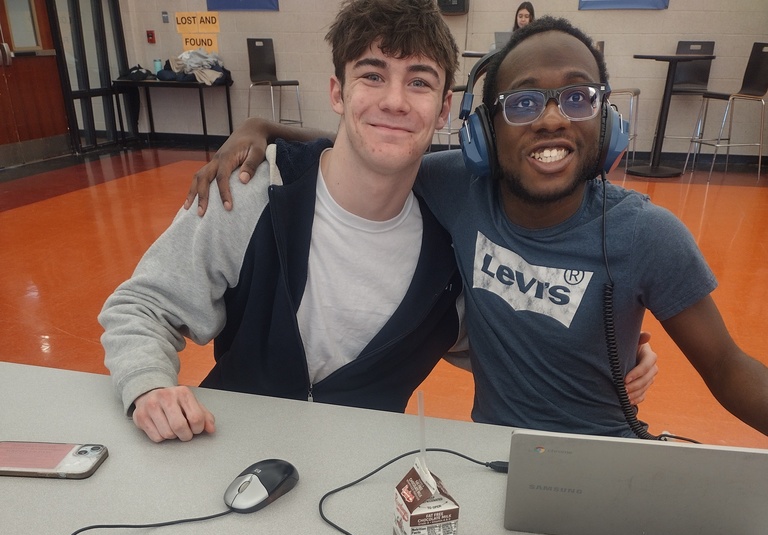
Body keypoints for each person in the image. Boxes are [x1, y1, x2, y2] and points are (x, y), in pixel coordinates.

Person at [186, 15, 768, 440]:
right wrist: (260, 128)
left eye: (577, 97)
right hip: (488, 454)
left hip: (603, 456)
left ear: (608, 119)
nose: (550, 119)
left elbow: (727, 367)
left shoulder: (649, 236)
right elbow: (375, 142)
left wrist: (621, 358)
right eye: (521, 104)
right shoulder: (457, 185)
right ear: (484, 134)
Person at [99, 0, 464, 442]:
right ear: (337, 92)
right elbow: (143, 306)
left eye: (419, 82)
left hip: (363, 471)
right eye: (372, 75)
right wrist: (150, 385)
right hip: (231, 455)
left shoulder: (453, 240)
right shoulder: (253, 191)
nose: (394, 101)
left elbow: (506, 343)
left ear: (444, 108)